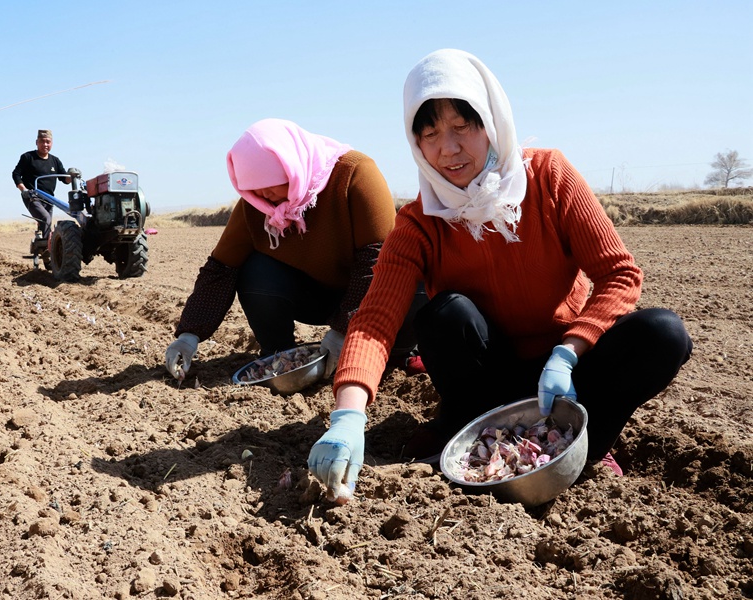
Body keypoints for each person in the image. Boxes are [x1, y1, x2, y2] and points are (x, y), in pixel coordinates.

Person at [308, 49, 693, 503]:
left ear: (491, 120)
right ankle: (469, 428)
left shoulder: (549, 177)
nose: (447, 148)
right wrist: (347, 416)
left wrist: (569, 352)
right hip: (489, 375)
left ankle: (586, 444)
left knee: (663, 334)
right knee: (446, 314)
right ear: (415, 143)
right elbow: (374, 321)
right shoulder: (419, 222)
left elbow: (619, 274)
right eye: (429, 133)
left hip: (566, 377)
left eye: (462, 126)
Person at [164, 118, 426, 382]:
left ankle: (397, 353)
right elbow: (220, 269)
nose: (265, 194)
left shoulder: (355, 174)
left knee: (414, 280)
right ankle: (279, 354)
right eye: (255, 188)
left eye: (273, 182)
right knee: (256, 270)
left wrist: (342, 330)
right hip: (316, 297)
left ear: (293, 166)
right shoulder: (256, 206)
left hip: (377, 295)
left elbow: (378, 258)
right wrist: (189, 335)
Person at [11, 129, 72, 240]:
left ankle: (43, 245)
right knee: (45, 218)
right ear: (37, 142)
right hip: (32, 197)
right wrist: (23, 190)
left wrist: (72, 176)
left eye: (48, 142)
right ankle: (47, 247)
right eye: (42, 141)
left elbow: (65, 179)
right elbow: (16, 174)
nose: (45, 144)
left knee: (45, 222)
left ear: (51, 143)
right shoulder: (28, 157)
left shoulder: (55, 161)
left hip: (49, 199)